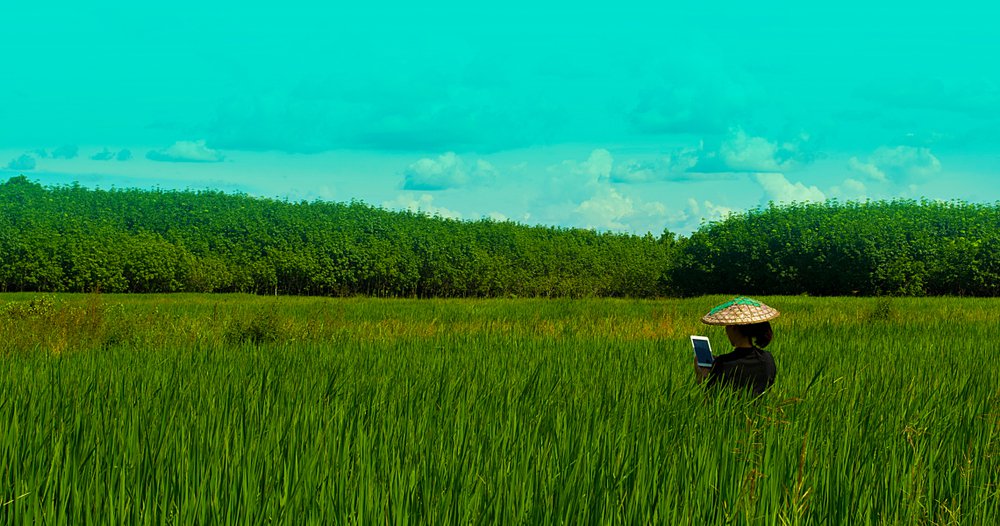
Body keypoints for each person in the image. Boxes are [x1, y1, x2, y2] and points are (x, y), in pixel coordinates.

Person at [694, 296, 778, 397]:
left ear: (733, 327)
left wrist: (701, 375)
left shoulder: (723, 363)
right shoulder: (767, 359)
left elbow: (709, 400)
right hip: (761, 412)